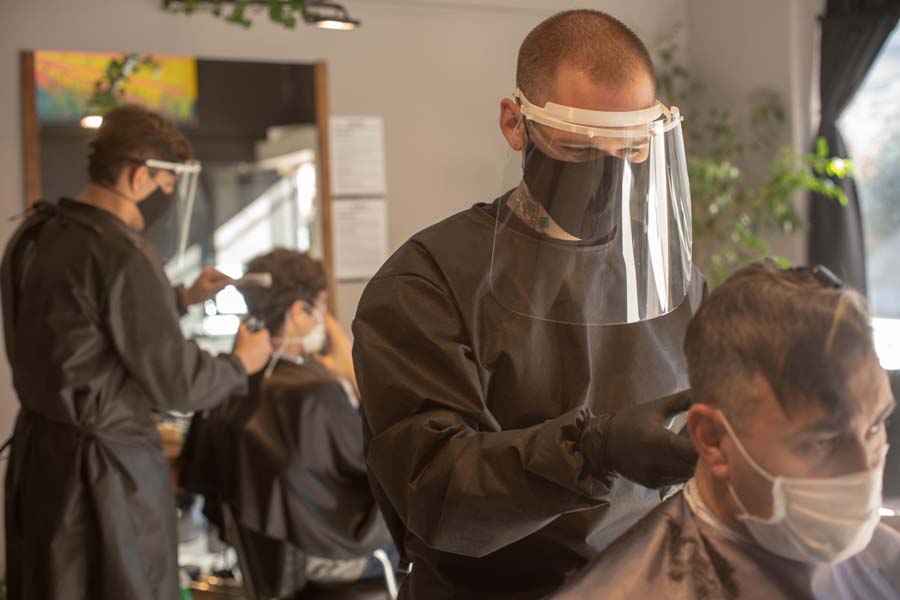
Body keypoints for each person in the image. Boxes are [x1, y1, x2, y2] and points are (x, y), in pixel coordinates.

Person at [352, 9, 706, 599]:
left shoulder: (669, 276)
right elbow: (433, 489)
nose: (609, 173)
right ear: (515, 124)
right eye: (579, 148)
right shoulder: (426, 283)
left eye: (632, 149)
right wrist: (592, 450)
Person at [1, 104, 273, 600]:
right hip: (104, 476)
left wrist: (179, 299)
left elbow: (81, 327)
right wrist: (241, 364)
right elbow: (179, 385)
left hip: (41, 460)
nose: (167, 197)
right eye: (167, 184)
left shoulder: (36, 234)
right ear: (139, 175)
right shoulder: (122, 252)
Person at [555, 261, 900, 600]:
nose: (866, 469)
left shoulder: (886, 557)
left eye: (875, 425)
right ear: (713, 440)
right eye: (823, 441)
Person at [179, 249, 393, 597]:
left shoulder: (227, 383)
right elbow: (386, 467)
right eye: (320, 307)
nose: (323, 319)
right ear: (298, 311)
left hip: (264, 563)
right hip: (328, 558)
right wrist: (354, 376)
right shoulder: (315, 393)